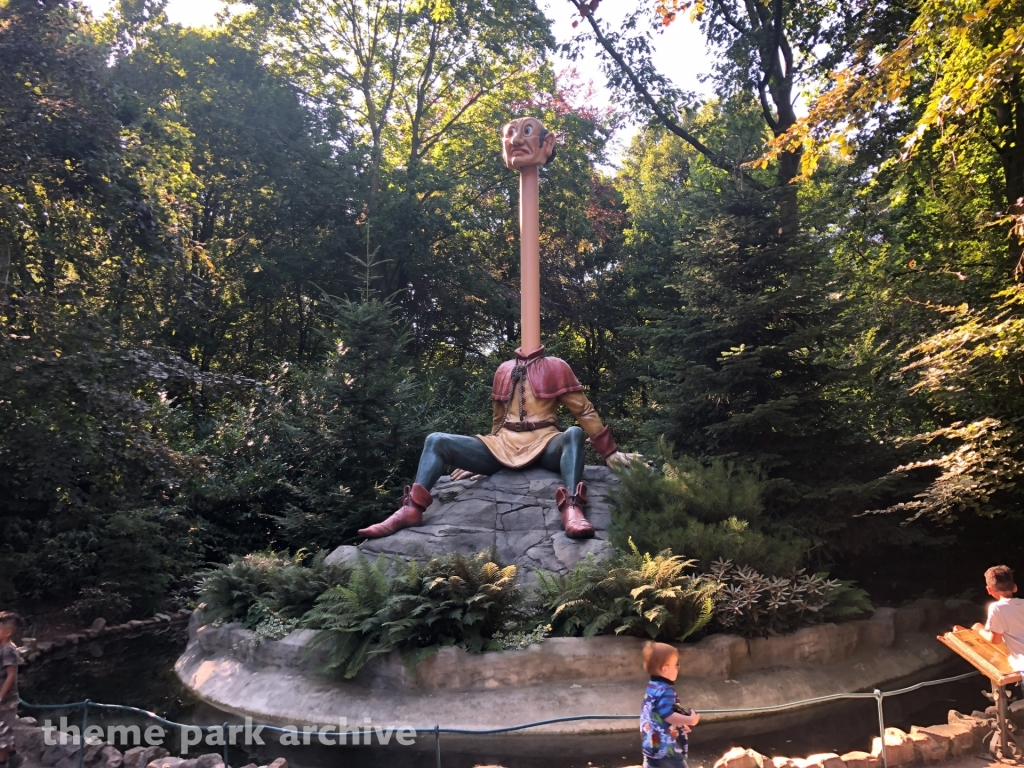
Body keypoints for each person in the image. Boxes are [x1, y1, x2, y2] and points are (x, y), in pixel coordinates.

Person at [357, 345, 632, 540]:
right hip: (503, 444)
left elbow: (583, 411)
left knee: (572, 433)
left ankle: (572, 507)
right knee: (436, 440)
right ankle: (411, 509)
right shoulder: (504, 370)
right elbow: (498, 422)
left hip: (545, 442)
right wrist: (483, 459)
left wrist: (610, 453)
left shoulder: (556, 366)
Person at [640, 641, 700, 768]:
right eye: (676, 664)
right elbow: (668, 714)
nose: (678, 667)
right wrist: (690, 720)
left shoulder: (652, 686)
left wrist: (681, 722)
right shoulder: (666, 690)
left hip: (650, 746)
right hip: (665, 749)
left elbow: (664, 708)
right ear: (665, 669)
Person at [969, 565, 1024, 671]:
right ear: (1015, 587)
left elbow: (995, 639)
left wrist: (979, 628)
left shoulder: (996, 607)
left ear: (989, 590)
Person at [0, 612, 23, 768]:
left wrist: (0, 697)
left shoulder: (8, 650)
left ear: (7, 632)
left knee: (1, 736)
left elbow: (11, 675)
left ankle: (2, 762)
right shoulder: (2, 647)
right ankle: (14, 757)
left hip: (6, 701)